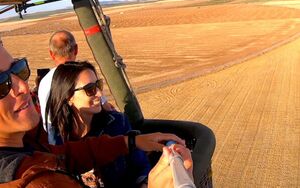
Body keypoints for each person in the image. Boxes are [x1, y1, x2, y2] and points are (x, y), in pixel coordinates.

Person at [0, 43, 192, 186]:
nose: (23, 87)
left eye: (18, 70)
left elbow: (65, 155)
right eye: (1, 84)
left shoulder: (32, 139)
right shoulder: (38, 179)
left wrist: (131, 141)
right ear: (68, 97)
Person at [46, 61, 151, 187]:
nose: (100, 94)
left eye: (98, 85)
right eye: (90, 89)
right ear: (68, 96)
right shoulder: (55, 138)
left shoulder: (117, 123)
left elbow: (141, 168)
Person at [38, 30, 113, 132]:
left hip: (53, 132)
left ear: (51, 54)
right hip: (76, 130)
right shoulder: (83, 76)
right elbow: (105, 106)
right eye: (91, 89)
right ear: (76, 49)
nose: (98, 93)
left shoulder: (44, 81)